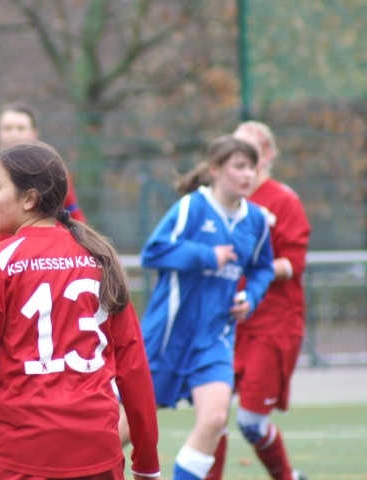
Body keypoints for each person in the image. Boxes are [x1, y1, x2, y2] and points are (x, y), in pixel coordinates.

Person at [0, 141, 161, 480]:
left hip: (18, 457)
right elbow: (133, 365)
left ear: (30, 199)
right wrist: (147, 460)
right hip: (99, 455)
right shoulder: (100, 257)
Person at [119, 135, 275, 480]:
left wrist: (251, 297)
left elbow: (263, 268)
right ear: (215, 170)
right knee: (127, 429)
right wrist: (206, 255)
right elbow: (153, 252)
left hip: (214, 338)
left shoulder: (256, 220)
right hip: (167, 336)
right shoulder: (192, 207)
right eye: (239, 166)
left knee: (215, 419)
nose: (247, 174)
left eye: (252, 167)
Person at [208, 121, 311, 480]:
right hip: (227, 322)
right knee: (213, 414)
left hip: (272, 324)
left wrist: (257, 271)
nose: (239, 159)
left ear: (265, 155)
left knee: (251, 422)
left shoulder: (283, 200)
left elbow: (294, 262)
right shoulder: (216, 201)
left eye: (247, 150)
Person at [0, 102, 86, 266]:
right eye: (8, 128)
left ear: (34, 133)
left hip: (43, 259)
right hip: (1, 262)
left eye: (20, 128)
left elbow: (73, 215)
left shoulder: (54, 171)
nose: (14, 133)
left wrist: (79, 248)